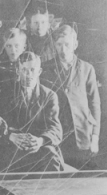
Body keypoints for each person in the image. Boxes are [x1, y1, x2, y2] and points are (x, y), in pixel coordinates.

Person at [41, 24, 101, 169]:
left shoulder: (87, 69)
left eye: (67, 44)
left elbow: (95, 104)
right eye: (59, 45)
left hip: (82, 135)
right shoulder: (45, 69)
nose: (63, 49)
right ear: (54, 45)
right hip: (57, 134)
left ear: (75, 44)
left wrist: (95, 138)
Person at [0, 52, 64, 172]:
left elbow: (55, 128)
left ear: (39, 71)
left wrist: (40, 141)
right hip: (14, 145)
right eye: (24, 70)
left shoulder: (49, 95)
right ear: (18, 71)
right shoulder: (6, 94)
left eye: (33, 70)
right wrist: (12, 137)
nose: (28, 74)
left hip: (40, 147)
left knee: (50, 156)